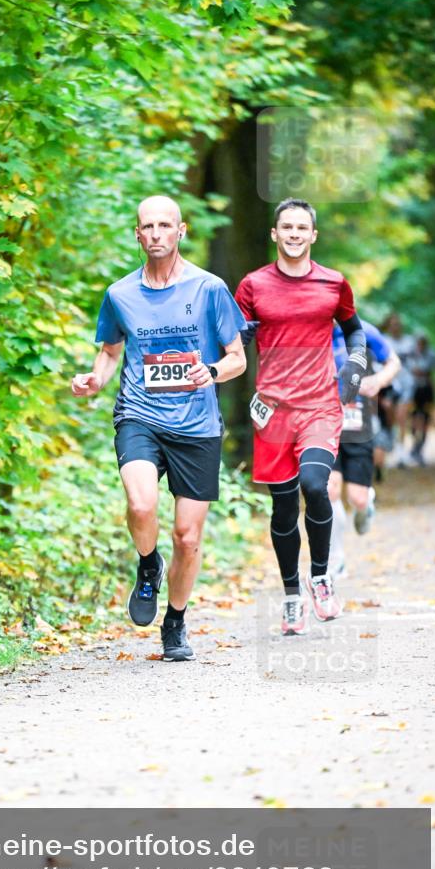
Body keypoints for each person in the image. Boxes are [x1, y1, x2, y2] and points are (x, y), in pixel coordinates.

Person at [71, 195, 247, 662]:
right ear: (137, 234)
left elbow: (237, 358)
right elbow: (110, 352)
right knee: (141, 502)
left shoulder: (209, 289)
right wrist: (94, 381)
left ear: (181, 231)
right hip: (140, 414)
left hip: (197, 425)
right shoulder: (120, 294)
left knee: (188, 538)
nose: (155, 234)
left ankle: (175, 621)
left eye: (164, 226)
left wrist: (209, 372)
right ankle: (148, 566)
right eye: (147, 226)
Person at [234, 197, 367, 636]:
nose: (293, 234)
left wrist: (357, 362)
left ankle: (322, 577)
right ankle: (292, 597)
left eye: (301, 228)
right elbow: (229, 339)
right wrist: (240, 333)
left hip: (318, 405)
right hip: (271, 411)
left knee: (315, 485)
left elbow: (353, 328)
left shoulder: (333, 283)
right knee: (283, 507)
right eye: (285, 227)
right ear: (275, 234)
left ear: (313, 235)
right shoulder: (253, 285)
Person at [328, 320, 401, 579]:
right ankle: (335, 560)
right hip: (323, 421)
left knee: (356, 498)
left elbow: (394, 361)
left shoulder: (363, 330)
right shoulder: (310, 326)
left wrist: (378, 380)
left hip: (358, 422)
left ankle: (365, 504)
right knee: (329, 489)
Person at [381, 313, 417, 467]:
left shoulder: (409, 341)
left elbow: (416, 361)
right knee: (391, 419)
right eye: (393, 324)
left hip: (407, 384)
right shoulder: (384, 341)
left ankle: (401, 454)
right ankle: (391, 446)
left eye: (398, 324)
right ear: (389, 326)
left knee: (402, 417)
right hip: (390, 384)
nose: (395, 327)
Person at [409, 333, 435, 466]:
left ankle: (419, 448)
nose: (421, 345)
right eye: (419, 342)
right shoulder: (411, 353)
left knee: (425, 419)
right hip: (413, 390)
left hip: (427, 391)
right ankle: (414, 445)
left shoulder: (431, 354)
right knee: (414, 419)